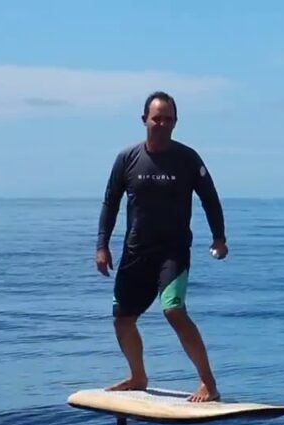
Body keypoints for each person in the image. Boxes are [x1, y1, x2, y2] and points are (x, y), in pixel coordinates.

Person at [94, 91, 228, 402]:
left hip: (173, 251)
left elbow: (210, 199)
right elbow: (110, 203)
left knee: (174, 310)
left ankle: (208, 383)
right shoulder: (127, 158)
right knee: (122, 319)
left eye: (168, 119)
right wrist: (102, 245)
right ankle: (138, 376)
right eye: (157, 118)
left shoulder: (187, 159)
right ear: (145, 120)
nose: (162, 124)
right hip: (136, 252)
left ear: (175, 122)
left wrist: (219, 238)